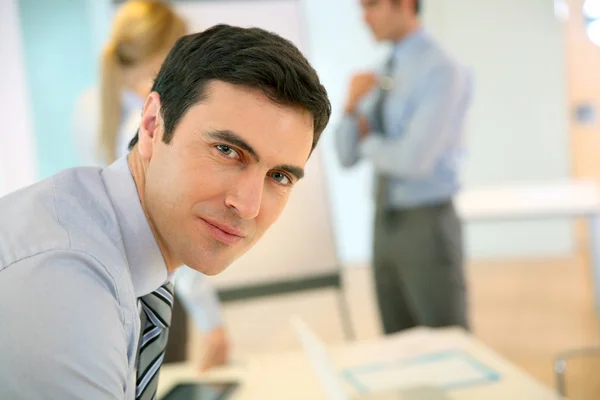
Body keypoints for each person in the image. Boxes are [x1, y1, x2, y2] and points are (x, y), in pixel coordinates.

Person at [0, 24, 331, 400]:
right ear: (152, 124)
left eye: (279, 176)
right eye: (226, 151)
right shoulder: (65, 287)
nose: (248, 205)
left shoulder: (127, 253)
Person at [73, 0, 228, 370]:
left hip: (102, 298)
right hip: (154, 298)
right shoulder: (155, 121)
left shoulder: (89, 110)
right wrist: (213, 322)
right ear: (165, 56)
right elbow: (174, 228)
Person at [335, 0, 473, 334]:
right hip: (384, 219)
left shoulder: (441, 70)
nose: (363, 17)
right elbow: (345, 155)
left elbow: (414, 161)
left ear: (407, 5)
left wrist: (368, 140)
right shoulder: (380, 70)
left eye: (372, 5)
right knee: (397, 339)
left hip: (426, 221)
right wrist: (350, 106)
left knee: (445, 338)